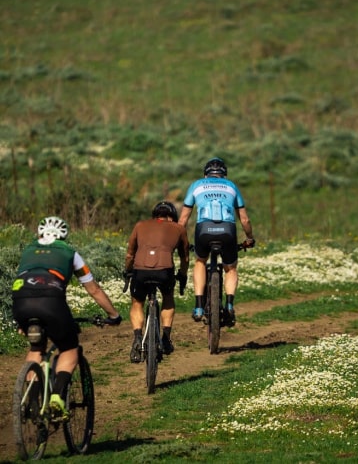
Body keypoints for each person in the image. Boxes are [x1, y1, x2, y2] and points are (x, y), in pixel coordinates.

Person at [12, 216, 122, 420]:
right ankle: (56, 398)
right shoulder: (71, 253)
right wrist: (113, 315)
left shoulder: (28, 250)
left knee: (36, 349)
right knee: (70, 348)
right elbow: (94, 290)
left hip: (21, 300)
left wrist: (22, 322)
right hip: (51, 301)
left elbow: (24, 279)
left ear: (39, 233)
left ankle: (32, 403)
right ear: (64, 236)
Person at [178, 157, 255, 326]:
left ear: (205, 175)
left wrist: (179, 240)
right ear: (224, 175)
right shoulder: (231, 186)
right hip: (228, 230)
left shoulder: (197, 185)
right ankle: (229, 305)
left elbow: (183, 220)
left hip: (203, 230)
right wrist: (249, 238)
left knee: (200, 261)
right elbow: (245, 220)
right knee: (230, 267)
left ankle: (199, 307)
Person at [124, 201, 189, 363]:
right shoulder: (179, 228)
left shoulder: (140, 225)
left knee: (137, 302)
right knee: (168, 297)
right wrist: (182, 274)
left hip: (140, 271)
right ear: (172, 216)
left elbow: (130, 255)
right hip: (164, 271)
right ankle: (166, 338)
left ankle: (137, 338)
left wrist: (128, 271)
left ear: (154, 215)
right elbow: (185, 258)